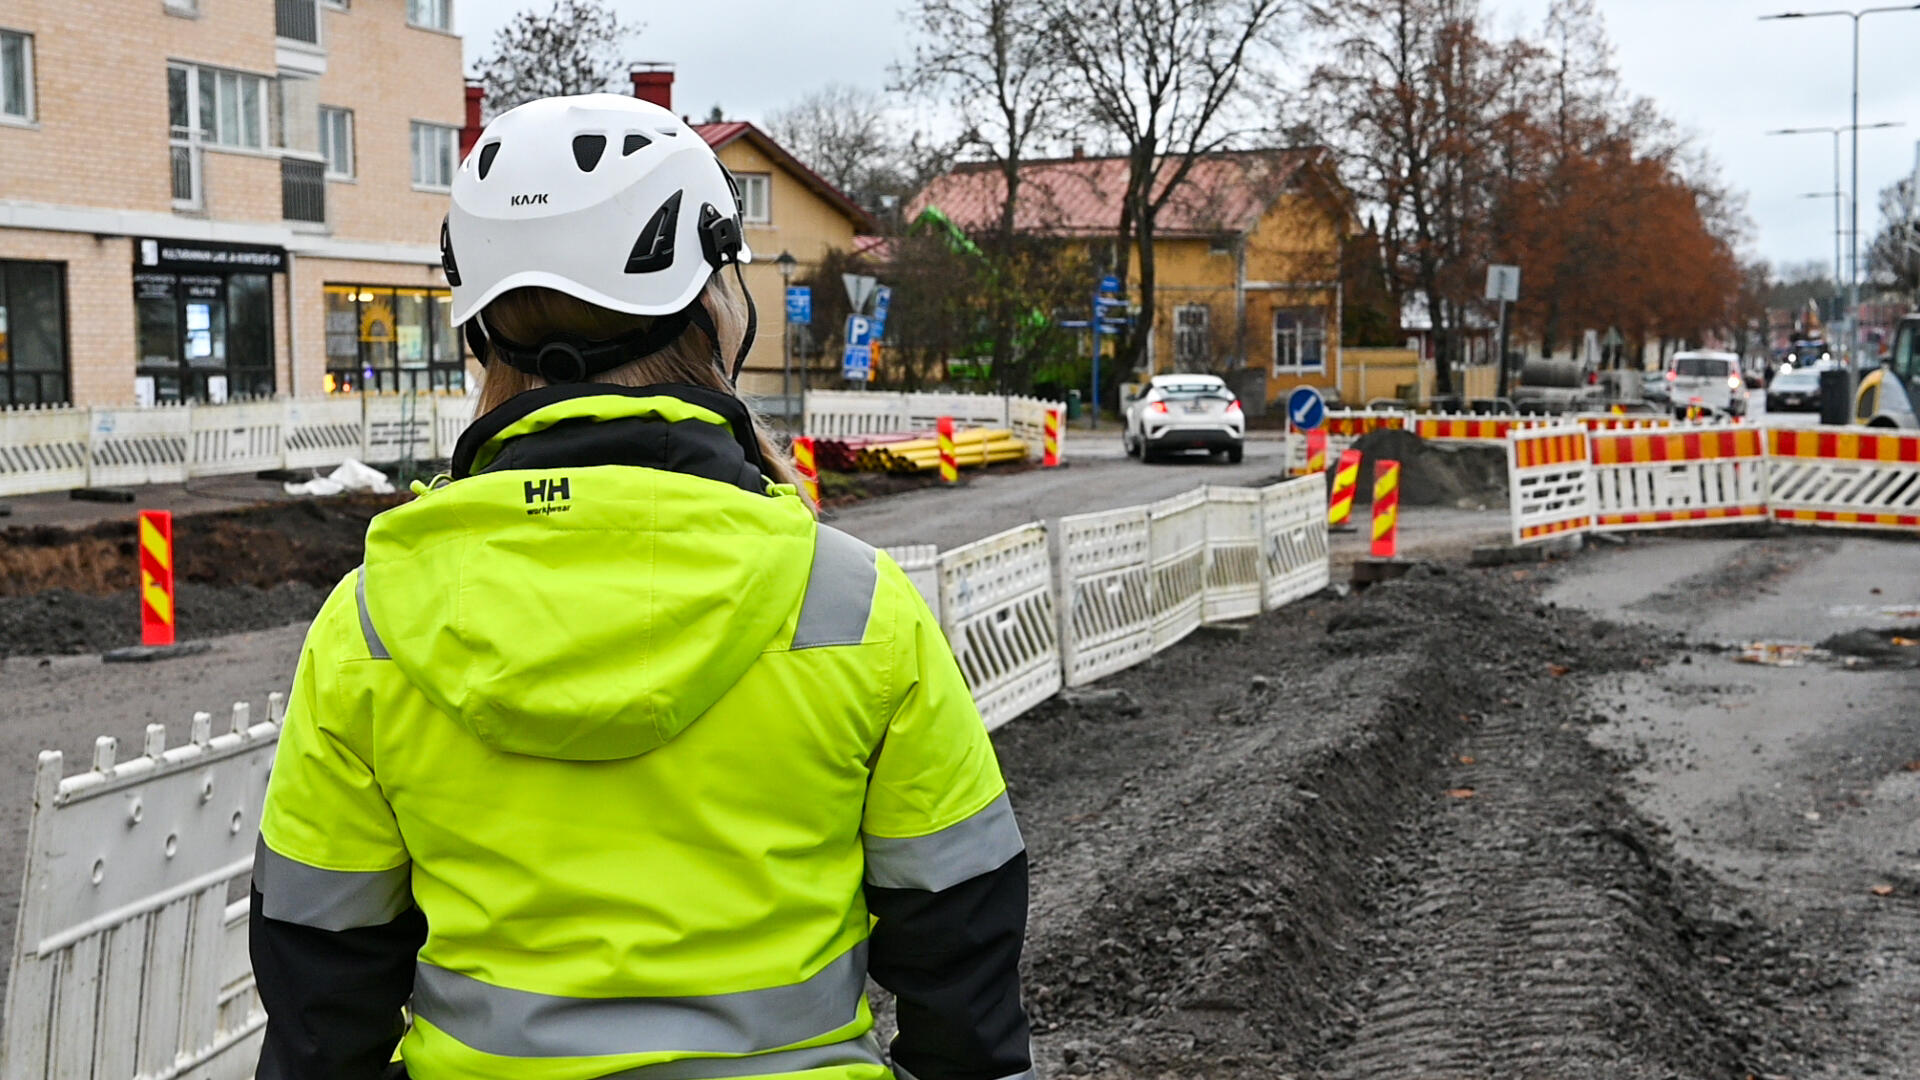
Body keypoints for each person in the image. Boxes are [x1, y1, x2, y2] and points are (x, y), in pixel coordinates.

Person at [249, 94, 1033, 1080]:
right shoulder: (850, 604)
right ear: (712, 310)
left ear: (479, 328)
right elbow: (963, 962)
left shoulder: (371, 623)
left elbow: (320, 991)